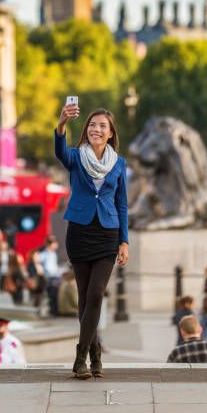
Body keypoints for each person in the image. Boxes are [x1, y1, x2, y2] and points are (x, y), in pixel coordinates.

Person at [55, 103, 128, 378]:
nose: (96, 129)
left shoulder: (119, 164)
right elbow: (59, 151)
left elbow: (122, 205)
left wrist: (124, 241)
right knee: (84, 299)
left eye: (102, 126)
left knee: (96, 294)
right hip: (80, 232)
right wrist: (62, 124)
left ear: (110, 134)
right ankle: (95, 355)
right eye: (92, 125)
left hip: (108, 234)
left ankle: (80, 358)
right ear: (86, 129)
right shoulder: (75, 157)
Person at [39, 235, 61, 316]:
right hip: (49, 278)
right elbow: (45, 267)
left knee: (56, 294)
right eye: (55, 243)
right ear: (50, 244)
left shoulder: (53, 253)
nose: (56, 245)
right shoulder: (44, 254)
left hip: (55, 277)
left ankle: (55, 310)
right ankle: (53, 310)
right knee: (52, 295)